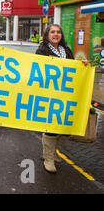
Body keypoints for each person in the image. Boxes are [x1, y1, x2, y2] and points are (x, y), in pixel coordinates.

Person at [35, 24, 88, 174]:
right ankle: (48, 158)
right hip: (50, 95)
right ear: (47, 35)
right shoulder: (42, 51)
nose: (56, 34)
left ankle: (53, 152)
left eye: (58, 32)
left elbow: (74, 68)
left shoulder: (67, 50)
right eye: (53, 32)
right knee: (52, 128)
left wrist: (83, 65)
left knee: (65, 129)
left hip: (66, 96)